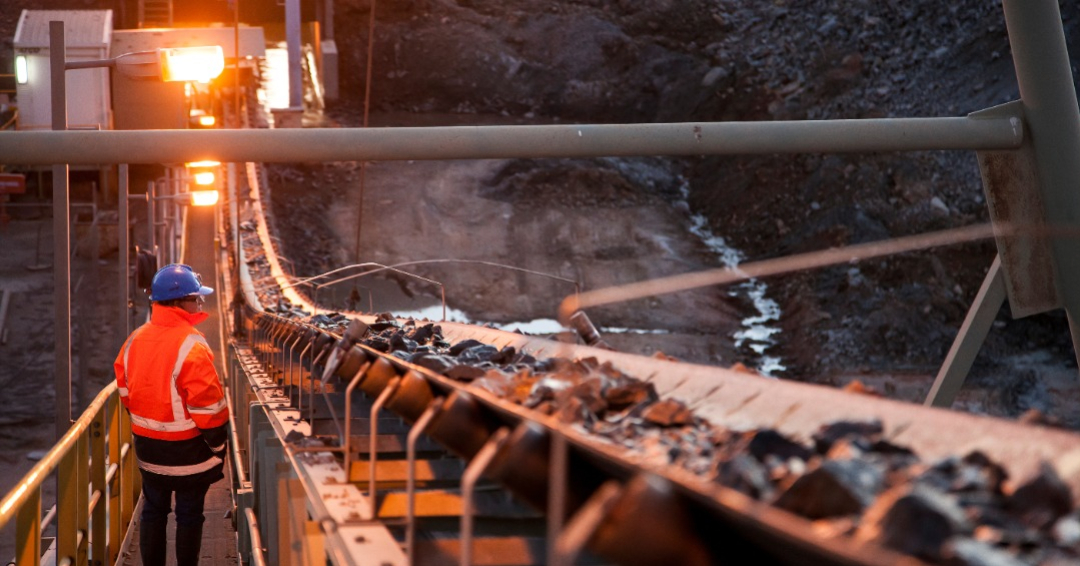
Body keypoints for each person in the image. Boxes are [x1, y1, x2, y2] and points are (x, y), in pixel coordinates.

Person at [114, 263, 229, 566]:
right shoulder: (191, 344)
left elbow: (125, 392)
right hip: (189, 453)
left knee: (153, 510)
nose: (199, 303)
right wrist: (218, 447)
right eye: (195, 298)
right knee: (189, 514)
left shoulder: (134, 340)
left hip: (148, 450)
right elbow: (209, 408)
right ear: (179, 302)